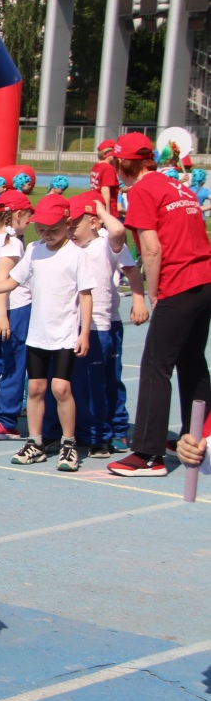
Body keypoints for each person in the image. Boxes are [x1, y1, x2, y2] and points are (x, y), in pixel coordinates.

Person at [0, 194, 95, 473]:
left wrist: (84, 332)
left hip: (64, 334)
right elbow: (11, 281)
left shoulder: (77, 255)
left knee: (60, 388)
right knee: (37, 388)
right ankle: (36, 443)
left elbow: (86, 296)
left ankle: (68, 443)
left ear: (67, 224)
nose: (46, 235)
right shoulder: (34, 251)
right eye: (41, 229)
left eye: (53, 229)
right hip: (37, 335)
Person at [106, 132, 211, 477]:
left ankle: (147, 455)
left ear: (123, 163)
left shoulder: (142, 191)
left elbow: (151, 248)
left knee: (156, 365)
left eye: (115, 162)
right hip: (204, 278)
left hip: (179, 282)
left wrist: (154, 293)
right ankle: (197, 437)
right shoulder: (176, 186)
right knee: (192, 359)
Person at [40, 194, 148, 456]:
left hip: (103, 324)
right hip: (70, 325)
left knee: (102, 382)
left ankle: (108, 431)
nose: (70, 230)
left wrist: (137, 299)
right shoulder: (70, 249)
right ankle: (70, 430)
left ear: (94, 222)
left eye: (75, 224)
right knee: (68, 382)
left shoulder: (104, 246)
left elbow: (121, 238)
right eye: (68, 224)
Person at [0, 190, 33, 441]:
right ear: (18, 214)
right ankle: (5, 421)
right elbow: (3, 277)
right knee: (14, 366)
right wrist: (3, 314)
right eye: (28, 216)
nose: (31, 222)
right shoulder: (13, 243)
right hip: (11, 310)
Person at [90, 139, 121, 219]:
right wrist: (106, 214)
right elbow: (105, 192)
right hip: (108, 209)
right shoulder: (108, 168)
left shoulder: (96, 166)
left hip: (96, 206)